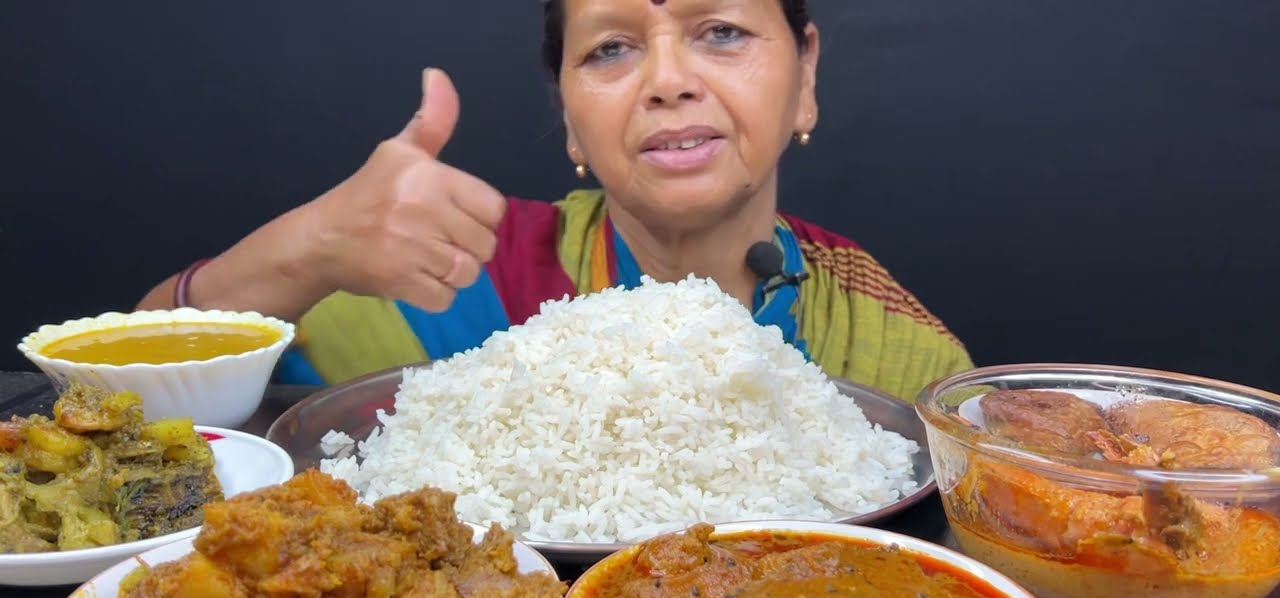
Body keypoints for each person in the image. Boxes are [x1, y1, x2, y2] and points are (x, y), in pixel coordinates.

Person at [137, 0, 972, 402]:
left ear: (805, 74)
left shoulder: (891, 344)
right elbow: (131, 391)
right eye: (611, 49)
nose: (668, 81)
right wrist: (312, 245)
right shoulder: (463, 279)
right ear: (570, 116)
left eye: (721, 32)